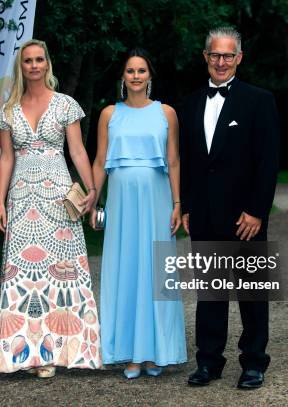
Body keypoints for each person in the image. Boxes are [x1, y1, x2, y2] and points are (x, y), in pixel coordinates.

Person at [0, 39, 101, 378]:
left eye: (40, 59)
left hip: (57, 198)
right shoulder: (8, 110)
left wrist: (92, 189)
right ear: (21, 66)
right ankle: (27, 354)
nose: (34, 65)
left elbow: (78, 151)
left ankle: (59, 351)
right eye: (28, 61)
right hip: (22, 199)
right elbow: (6, 157)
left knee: (61, 271)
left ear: (48, 63)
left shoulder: (65, 104)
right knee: (23, 275)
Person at [180, 27, 279, 389]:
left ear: (239, 58)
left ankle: (254, 362)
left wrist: (257, 211)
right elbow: (188, 161)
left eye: (228, 55)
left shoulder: (259, 100)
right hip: (204, 214)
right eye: (214, 55)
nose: (221, 62)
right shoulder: (189, 103)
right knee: (209, 293)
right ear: (205, 57)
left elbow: (267, 162)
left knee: (251, 292)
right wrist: (188, 206)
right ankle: (208, 362)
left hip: (245, 217)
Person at [90, 48, 187, 379]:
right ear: (123, 77)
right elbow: (100, 160)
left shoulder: (166, 113)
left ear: (150, 76)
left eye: (141, 70)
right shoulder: (108, 114)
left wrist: (177, 204)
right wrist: (93, 199)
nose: (135, 76)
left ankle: (157, 351)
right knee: (126, 270)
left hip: (157, 199)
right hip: (121, 202)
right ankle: (131, 353)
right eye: (130, 71)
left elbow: (173, 160)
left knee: (157, 273)